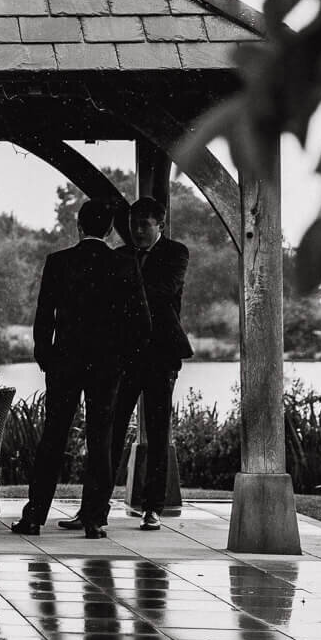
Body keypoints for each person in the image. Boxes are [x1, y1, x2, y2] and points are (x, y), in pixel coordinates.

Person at [13, 199, 136, 538]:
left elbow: (43, 314)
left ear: (79, 226)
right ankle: (94, 520)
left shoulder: (58, 262)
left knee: (53, 438)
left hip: (65, 361)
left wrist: (45, 355)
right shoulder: (122, 264)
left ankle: (34, 516)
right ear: (109, 229)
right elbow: (139, 320)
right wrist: (122, 358)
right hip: (107, 366)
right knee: (101, 441)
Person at [113, 195, 193, 531]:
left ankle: (152, 507)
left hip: (161, 353)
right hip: (125, 354)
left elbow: (164, 291)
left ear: (160, 225)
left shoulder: (175, 253)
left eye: (145, 224)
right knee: (113, 428)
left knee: (158, 431)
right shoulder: (120, 256)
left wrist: (126, 292)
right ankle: (98, 503)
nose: (138, 231)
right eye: (134, 225)